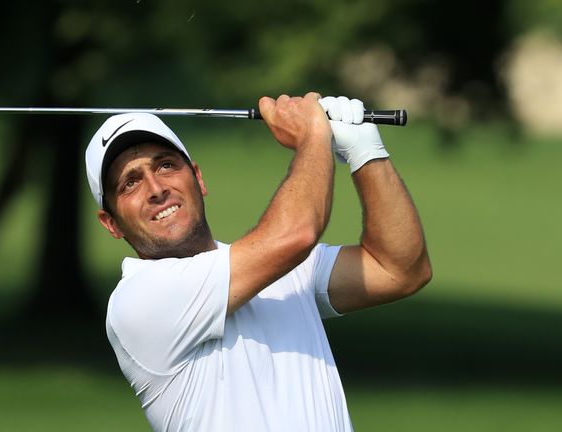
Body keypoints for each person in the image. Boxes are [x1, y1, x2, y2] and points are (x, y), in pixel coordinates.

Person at [84, 92, 432, 431]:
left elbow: (399, 269)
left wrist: (365, 152)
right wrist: (313, 134)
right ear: (111, 222)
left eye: (166, 165)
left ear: (198, 178)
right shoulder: (139, 300)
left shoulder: (276, 264)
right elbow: (296, 233)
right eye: (130, 183)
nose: (156, 188)